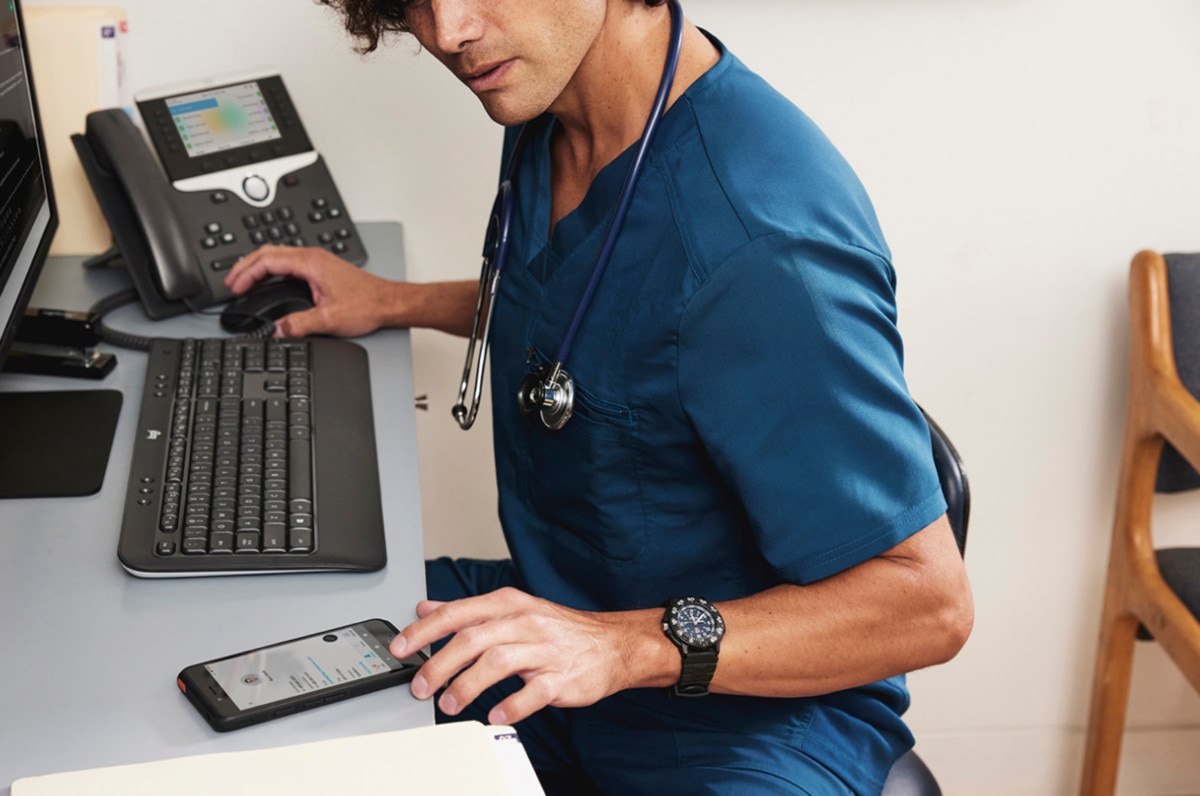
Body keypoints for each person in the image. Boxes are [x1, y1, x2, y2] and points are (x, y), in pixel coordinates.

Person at [225, 0, 974, 792]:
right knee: (245, 652)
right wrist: (391, 301)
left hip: (747, 721)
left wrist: (622, 647)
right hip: (564, 621)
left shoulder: (761, 242)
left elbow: (927, 604)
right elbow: (592, 317)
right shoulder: (554, 107)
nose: (447, 31)